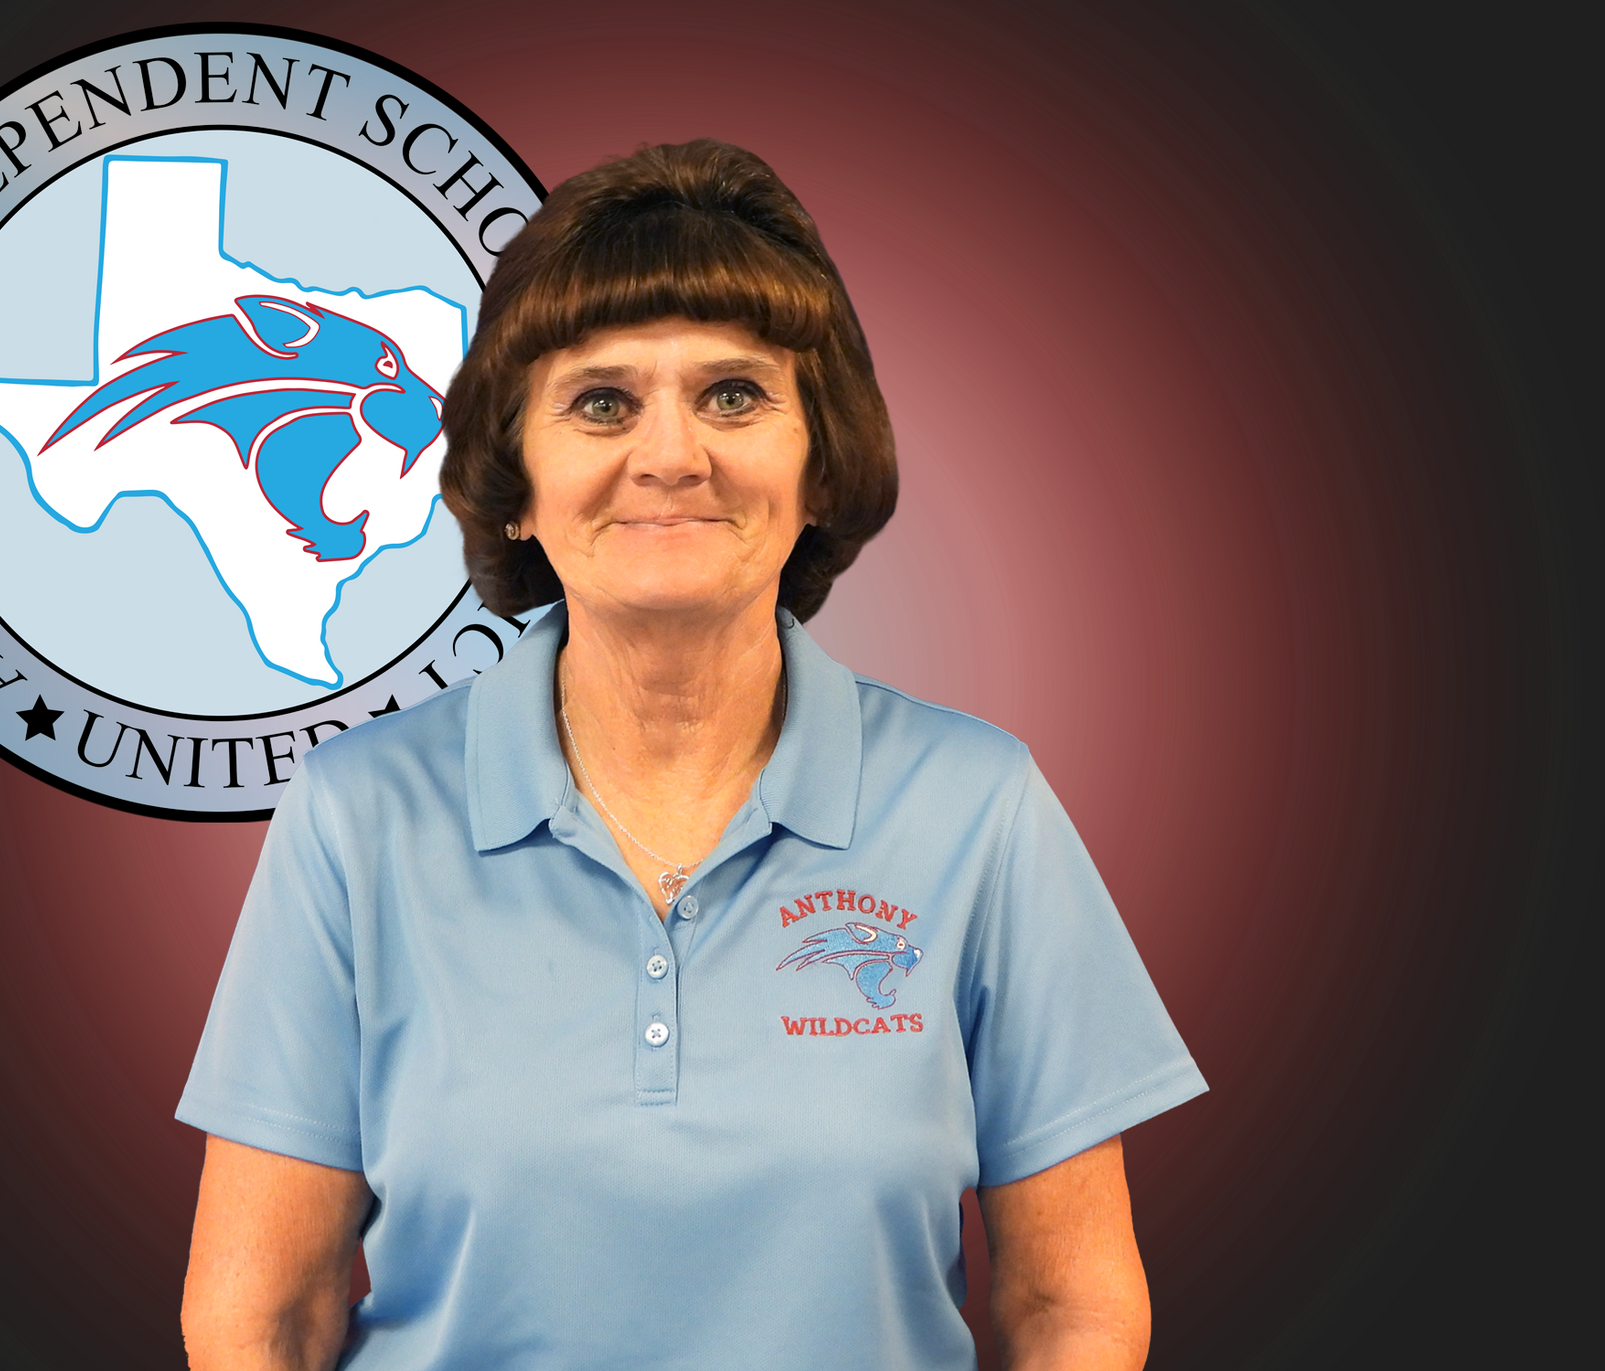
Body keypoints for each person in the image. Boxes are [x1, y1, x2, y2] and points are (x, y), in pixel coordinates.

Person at [177, 139, 1205, 1371]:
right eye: (602, 403)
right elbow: (257, 1320)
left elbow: (1072, 1309)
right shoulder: (358, 817)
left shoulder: (981, 810)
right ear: (514, 483)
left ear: (822, 461)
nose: (672, 456)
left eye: (734, 395)